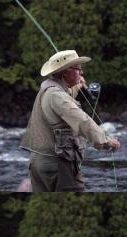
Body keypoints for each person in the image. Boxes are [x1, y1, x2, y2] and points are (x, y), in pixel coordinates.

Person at [20, 50, 121, 192]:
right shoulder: (57, 96)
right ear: (65, 72)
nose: (82, 73)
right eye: (78, 69)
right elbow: (82, 121)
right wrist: (105, 142)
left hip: (39, 162)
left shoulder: (48, 89)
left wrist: (77, 86)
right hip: (59, 164)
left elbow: (64, 96)